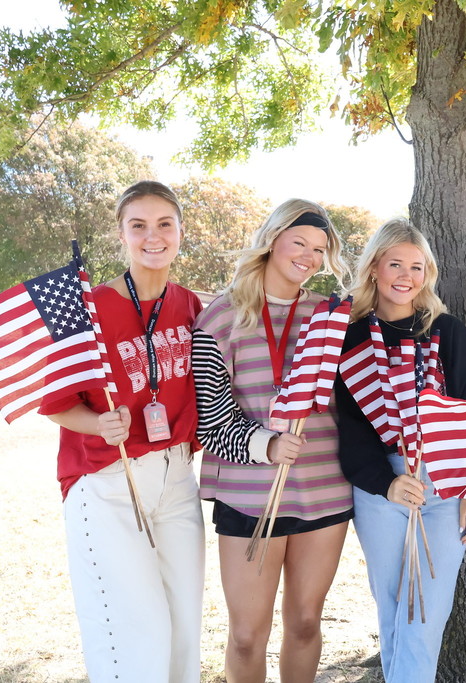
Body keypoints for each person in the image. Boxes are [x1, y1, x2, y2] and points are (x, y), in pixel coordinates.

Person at [40, 180, 205, 683]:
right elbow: (55, 406)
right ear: (121, 235)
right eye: (138, 226)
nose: (152, 237)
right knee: (137, 630)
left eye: (164, 224)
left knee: (183, 628)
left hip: (177, 478)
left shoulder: (191, 306)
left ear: (180, 232)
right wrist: (97, 422)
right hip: (109, 480)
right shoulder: (89, 310)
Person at [192, 199, 352, 683]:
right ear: (272, 239)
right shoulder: (219, 318)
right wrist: (266, 445)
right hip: (248, 496)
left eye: (320, 249)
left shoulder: (330, 319)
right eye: (299, 242)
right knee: (246, 635)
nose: (308, 256)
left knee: (305, 623)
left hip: (324, 489)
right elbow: (211, 422)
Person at [333, 218, 466, 683]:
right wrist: (386, 482)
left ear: (428, 274)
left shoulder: (447, 332)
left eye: (417, 267)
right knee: (391, 608)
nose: (405, 275)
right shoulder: (350, 337)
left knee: (426, 611)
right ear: (374, 269)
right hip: (381, 486)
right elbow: (351, 425)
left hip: (444, 486)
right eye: (395, 264)